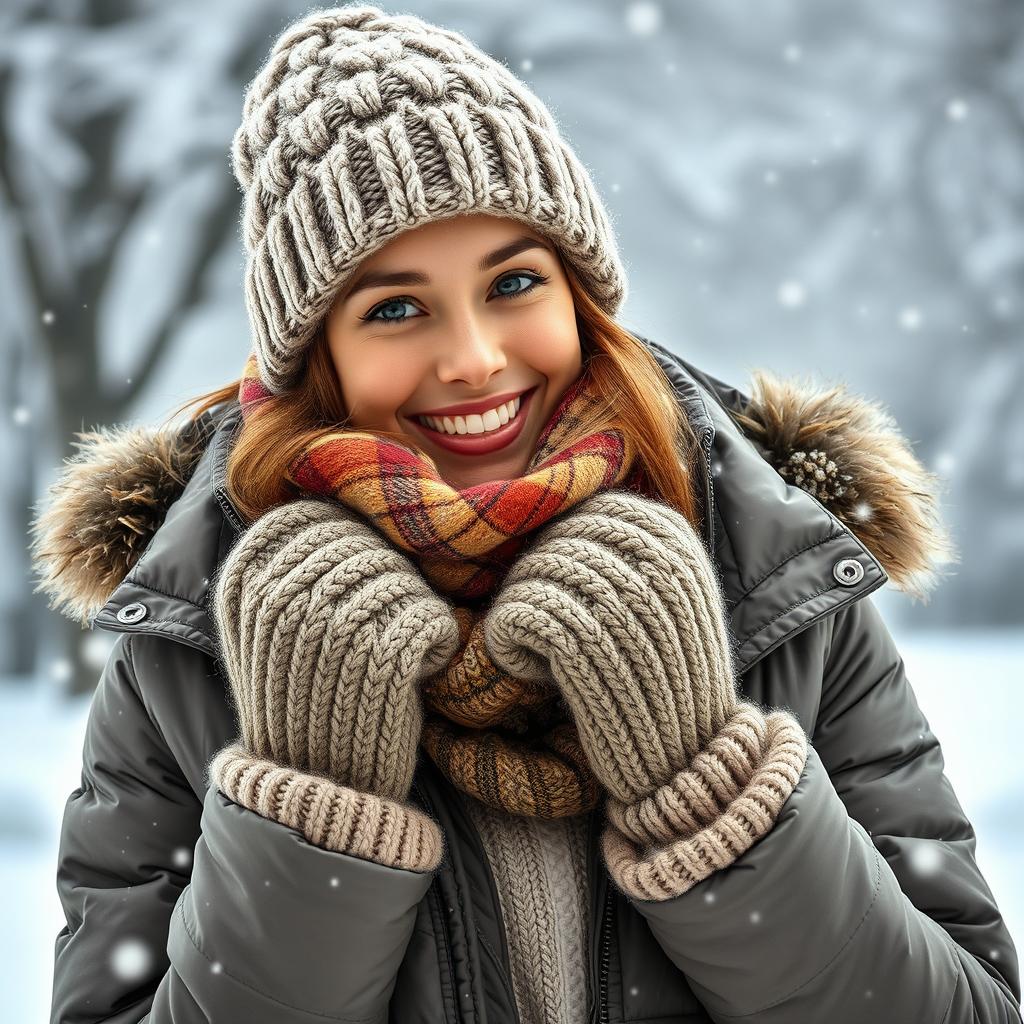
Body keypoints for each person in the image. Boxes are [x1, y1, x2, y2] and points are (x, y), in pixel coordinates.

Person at [32, 5, 1020, 1023]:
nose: (474, 357)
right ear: (317, 355)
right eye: (395, 308)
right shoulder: (190, 643)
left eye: (512, 282)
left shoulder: (778, 575)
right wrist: (315, 803)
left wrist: (704, 785)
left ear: (579, 294)